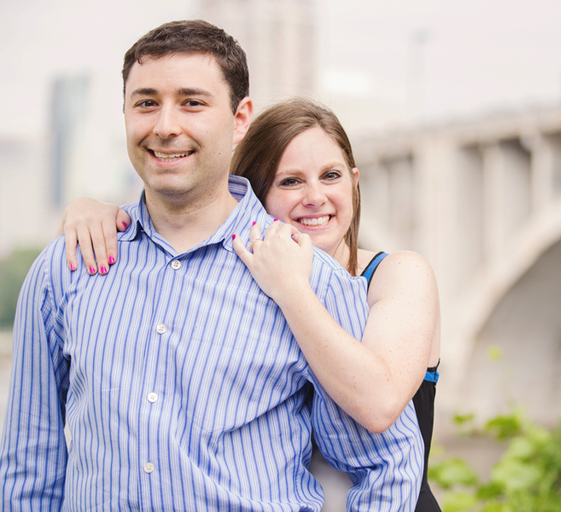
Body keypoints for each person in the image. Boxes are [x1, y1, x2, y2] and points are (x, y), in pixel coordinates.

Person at [0, 20, 423, 511]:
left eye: (192, 102)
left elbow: (388, 463)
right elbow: (30, 465)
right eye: (146, 102)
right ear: (124, 114)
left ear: (240, 118)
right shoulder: (66, 268)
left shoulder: (310, 283)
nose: (164, 126)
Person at [59, 99, 443, 511]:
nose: (315, 197)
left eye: (331, 176)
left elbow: (379, 403)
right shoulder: (240, 285)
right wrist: (95, 213)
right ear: (253, 195)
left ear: (354, 181)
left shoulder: (399, 274)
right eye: (289, 182)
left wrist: (292, 290)